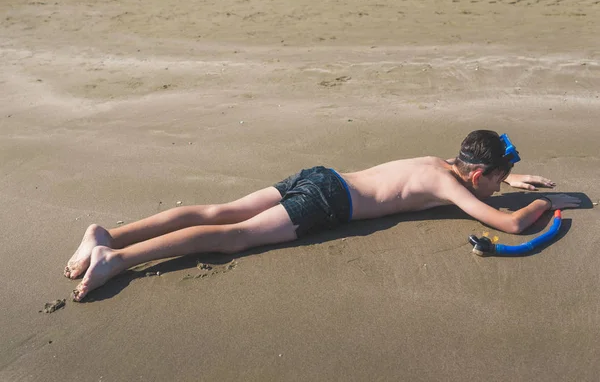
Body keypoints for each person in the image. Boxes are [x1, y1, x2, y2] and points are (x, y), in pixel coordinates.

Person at [65, 130, 580, 301]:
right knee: (233, 236)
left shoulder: (438, 163)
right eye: (498, 177)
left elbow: (481, 182)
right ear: (475, 175)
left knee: (219, 209)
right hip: (330, 203)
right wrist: (546, 206)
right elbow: (509, 225)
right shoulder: (453, 186)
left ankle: (106, 232)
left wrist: (512, 178)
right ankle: (116, 256)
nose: (500, 187)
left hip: (319, 176)